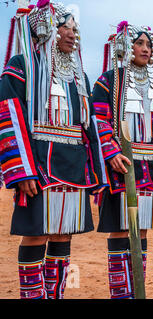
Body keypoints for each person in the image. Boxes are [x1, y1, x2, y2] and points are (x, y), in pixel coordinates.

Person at [0, 1, 107, 299]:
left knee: (63, 233)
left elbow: (90, 130)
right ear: (46, 29)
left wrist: (97, 173)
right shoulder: (22, 66)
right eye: (66, 27)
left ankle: (55, 294)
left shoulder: (79, 77)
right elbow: (8, 114)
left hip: (72, 166)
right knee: (35, 233)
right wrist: (22, 170)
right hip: (38, 165)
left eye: (75, 29)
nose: (73, 34)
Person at [91, 22, 153, 298]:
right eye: (138, 44)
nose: (144, 49)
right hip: (123, 167)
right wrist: (111, 151)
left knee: (140, 230)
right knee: (120, 230)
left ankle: (136, 289)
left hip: (151, 167)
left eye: (148, 45)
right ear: (125, 48)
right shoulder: (108, 80)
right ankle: (121, 293)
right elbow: (99, 119)